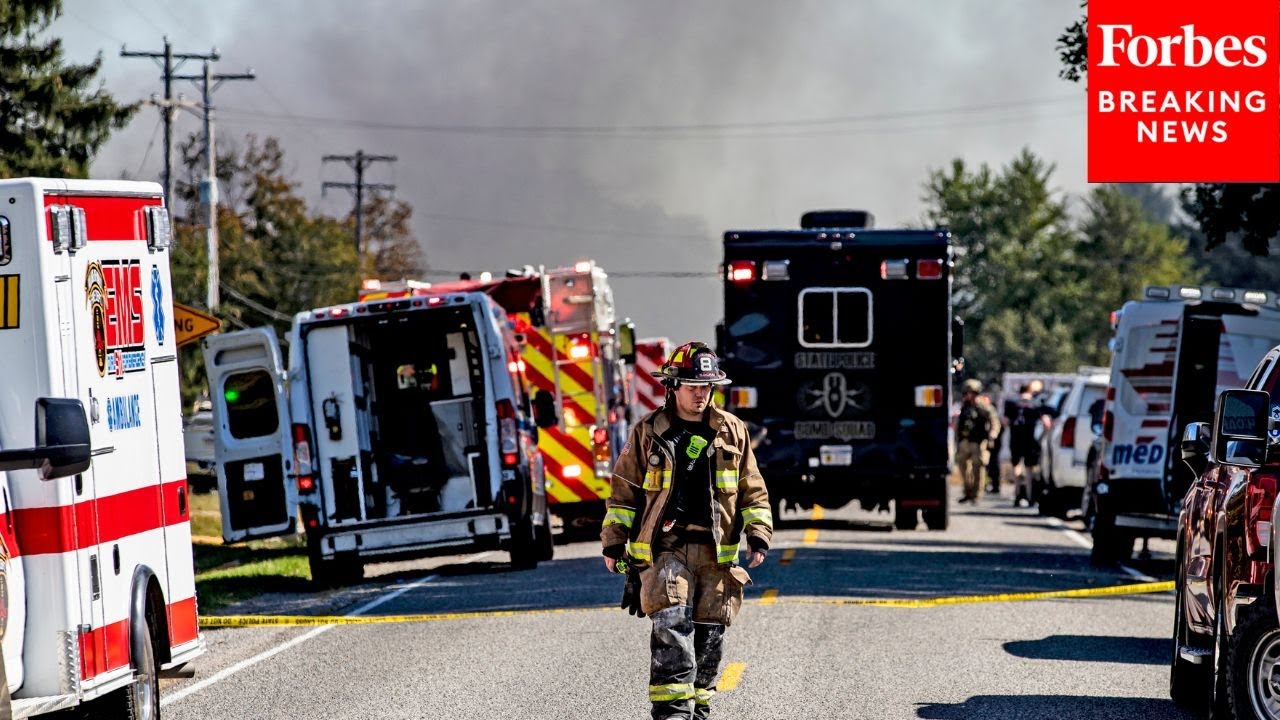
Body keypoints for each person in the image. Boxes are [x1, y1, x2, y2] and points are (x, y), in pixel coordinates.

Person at [601, 341, 772, 720]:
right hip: (667, 548)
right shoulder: (648, 431)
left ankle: (698, 709)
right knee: (672, 627)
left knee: (710, 639)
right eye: (693, 386)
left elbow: (752, 488)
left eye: (707, 387)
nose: (701, 394)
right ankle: (673, 712)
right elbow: (623, 492)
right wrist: (614, 544)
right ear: (673, 386)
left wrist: (758, 534)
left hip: (716, 554)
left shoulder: (732, 430)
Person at [1005, 382, 1052, 507]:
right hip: (1029, 438)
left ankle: (1017, 494)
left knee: (1016, 466)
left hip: (1015, 438)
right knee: (1029, 469)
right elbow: (1047, 423)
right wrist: (1042, 437)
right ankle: (1030, 496)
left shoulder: (1012, 402)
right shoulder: (1036, 403)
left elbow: (1005, 421)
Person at [955, 378, 999, 503]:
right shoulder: (964, 406)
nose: (969, 395)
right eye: (967, 392)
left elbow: (994, 421)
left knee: (978, 468)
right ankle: (967, 491)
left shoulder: (983, 406)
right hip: (965, 441)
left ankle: (976, 494)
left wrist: (992, 434)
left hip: (978, 442)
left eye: (972, 392)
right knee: (963, 467)